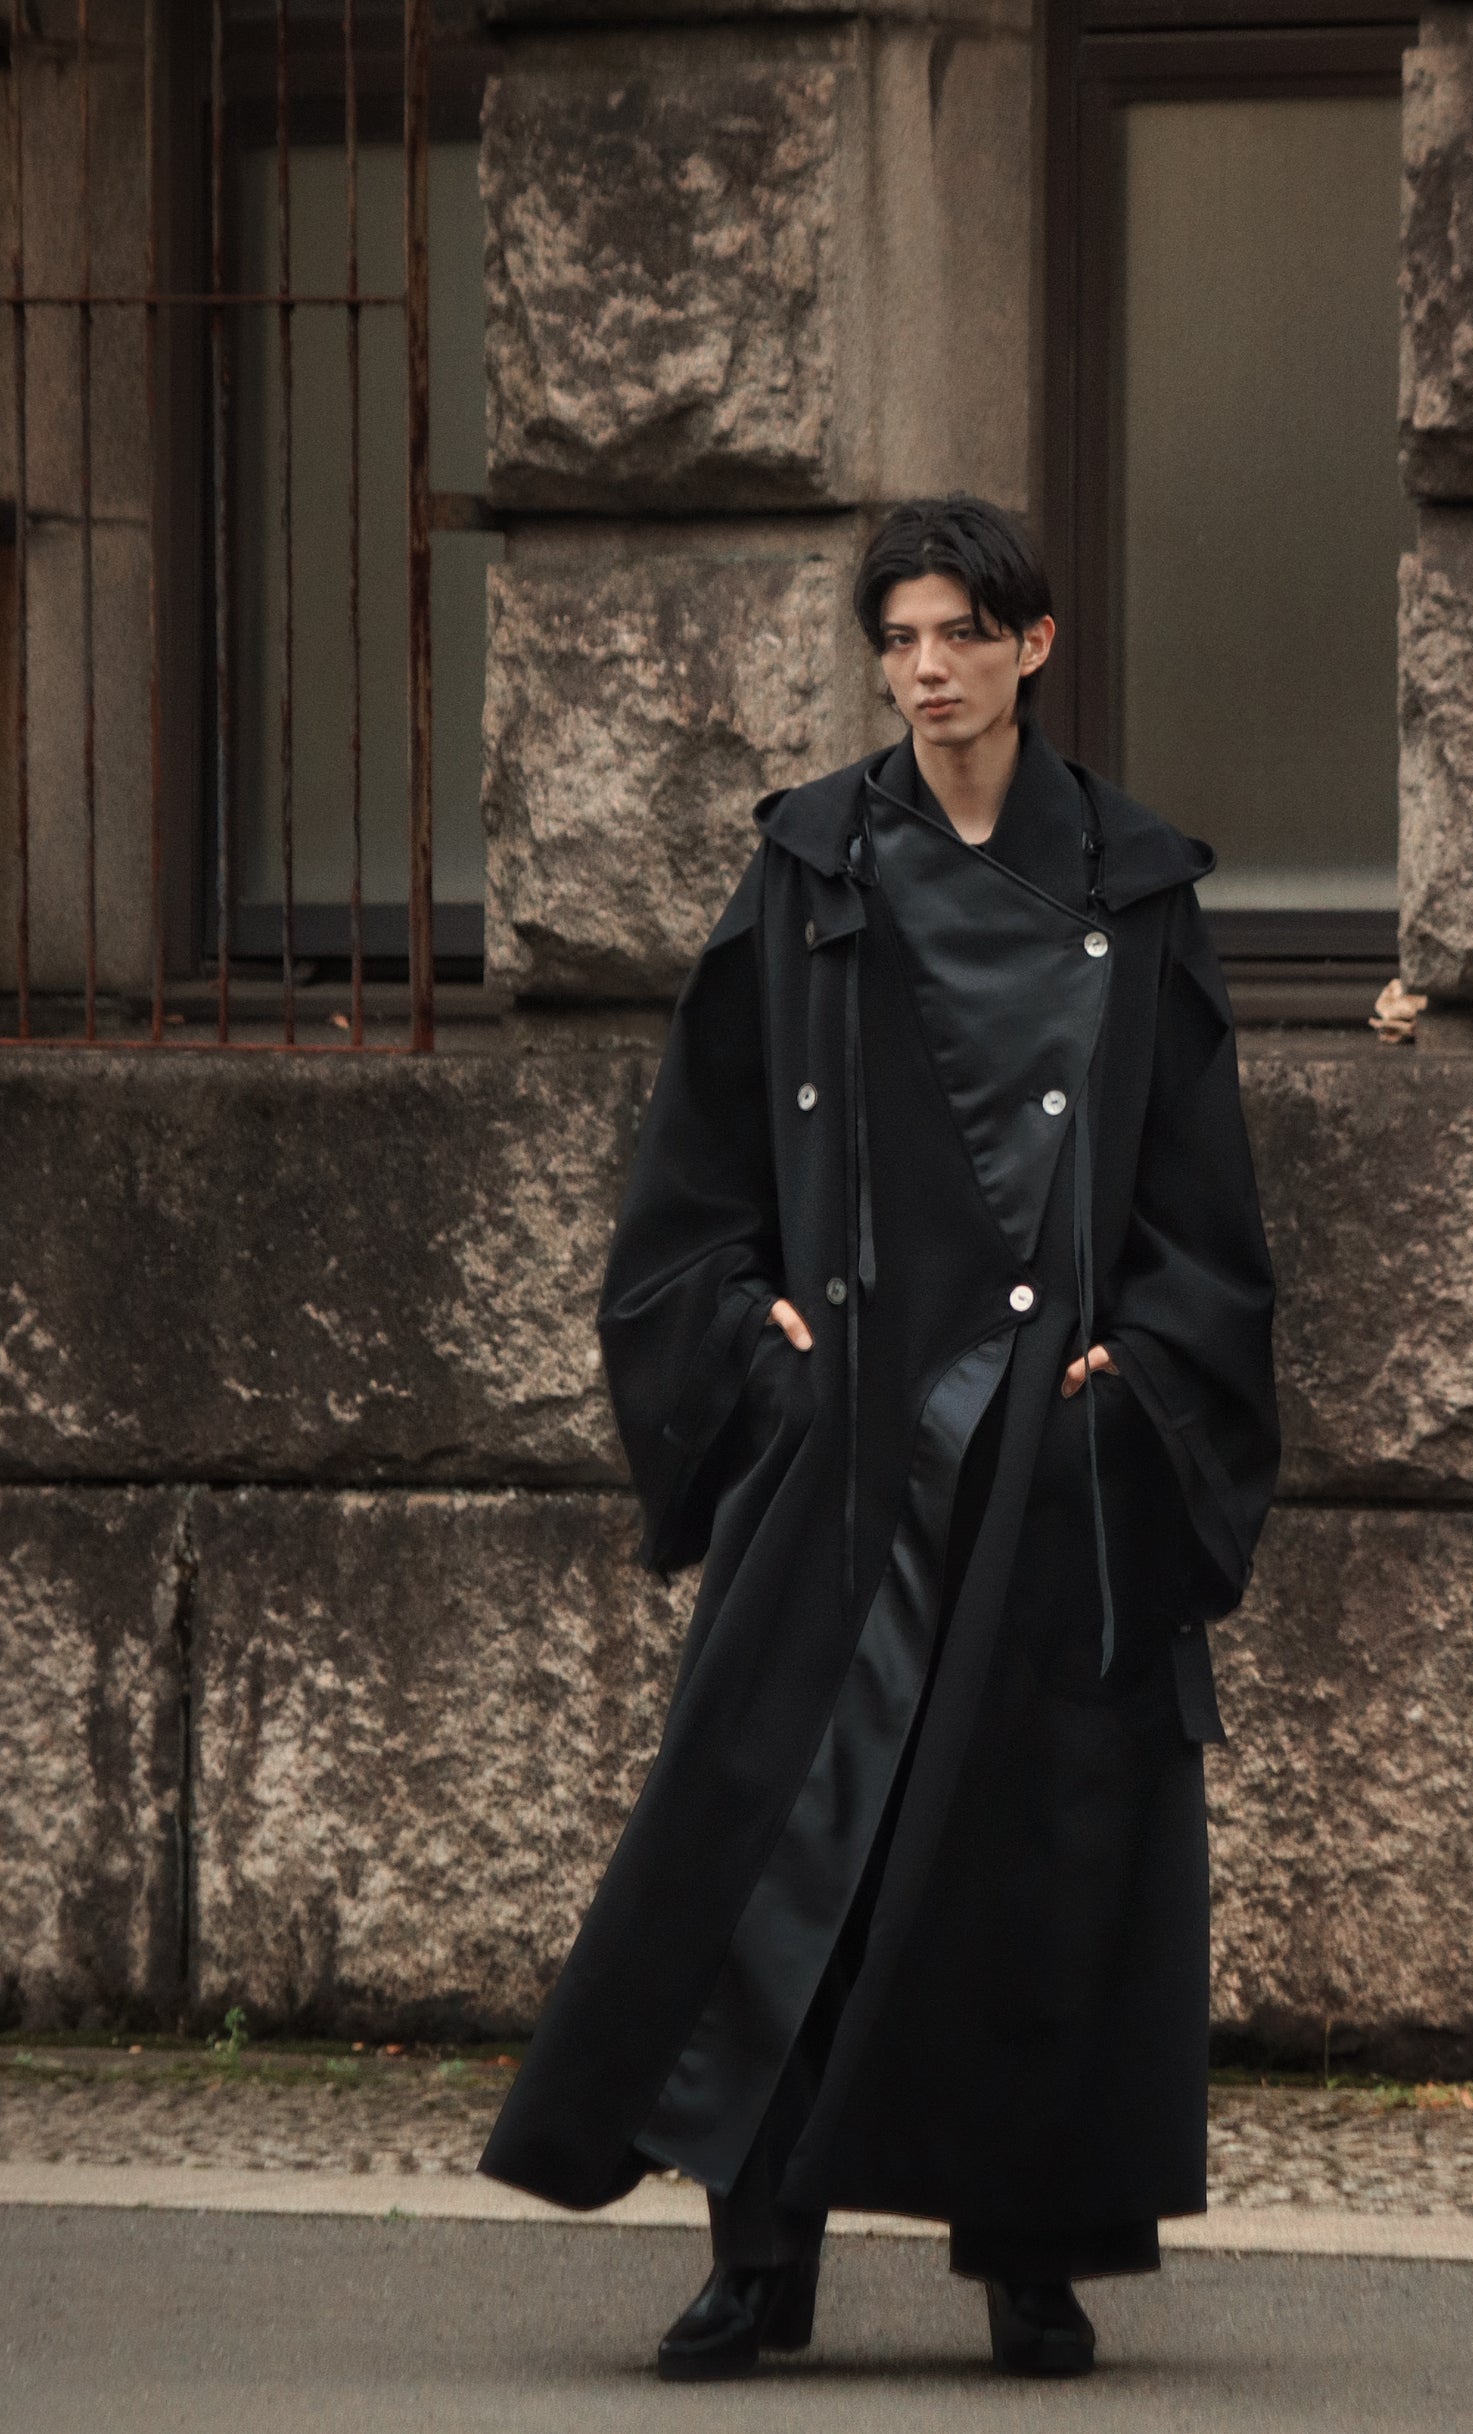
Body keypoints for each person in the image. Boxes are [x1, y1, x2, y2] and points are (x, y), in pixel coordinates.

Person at [479, 493, 1279, 2381]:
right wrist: (743, 1343)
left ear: (1032, 646)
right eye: (897, 640)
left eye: (957, 636)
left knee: (1039, 1860)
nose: (925, 672)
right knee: (779, 1839)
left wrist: (1135, 1385)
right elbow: (696, 1156)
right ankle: (759, 2262)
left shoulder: (1135, 889)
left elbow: (1203, 1205)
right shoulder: (809, 865)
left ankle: (1033, 2255)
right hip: (840, 1445)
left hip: (1044, 1450)